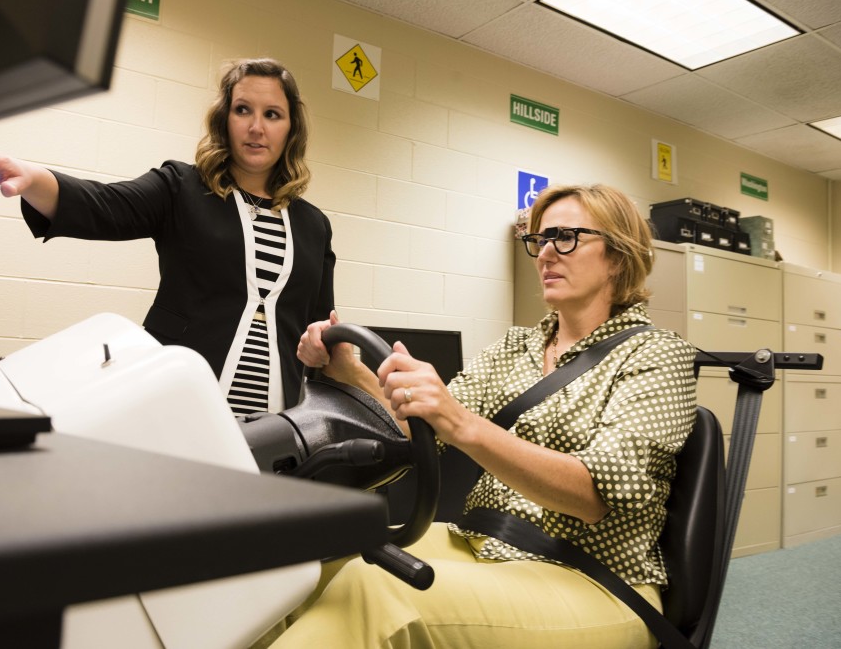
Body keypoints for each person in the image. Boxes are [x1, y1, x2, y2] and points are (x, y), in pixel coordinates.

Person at [286, 183, 698, 648]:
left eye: (566, 238)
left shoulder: (658, 355)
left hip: (595, 579)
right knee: (315, 564)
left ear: (619, 257)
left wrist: (461, 422)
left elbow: (591, 495)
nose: (545, 254)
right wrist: (352, 371)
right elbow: (422, 428)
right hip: (482, 543)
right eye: (540, 240)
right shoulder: (515, 346)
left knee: (377, 588)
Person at [0, 58, 335, 416]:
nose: (256, 127)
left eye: (273, 114)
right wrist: (27, 176)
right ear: (224, 119)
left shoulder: (313, 225)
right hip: (180, 407)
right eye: (242, 109)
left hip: (279, 426)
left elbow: (322, 329)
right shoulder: (182, 188)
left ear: (291, 128)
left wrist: (320, 347)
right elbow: (103, 205)